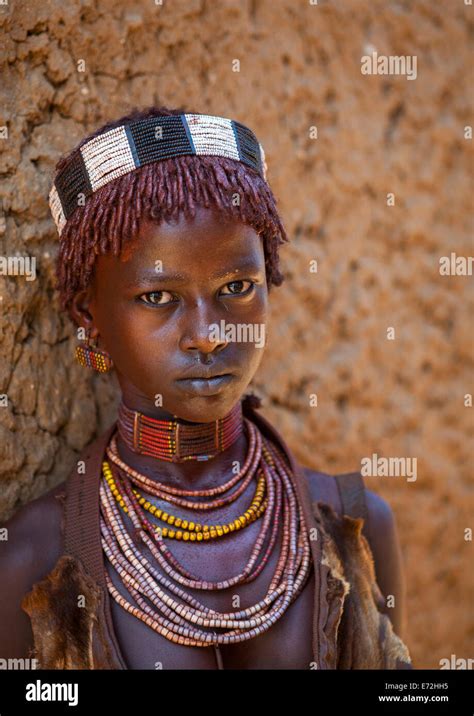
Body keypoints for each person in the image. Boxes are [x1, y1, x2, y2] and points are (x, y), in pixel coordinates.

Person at [0, 106, 412, 670]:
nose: (209, 335)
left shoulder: (356, 530)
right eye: (158, 298)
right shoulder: (34, 560)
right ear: (87, 315)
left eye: (237, 286)